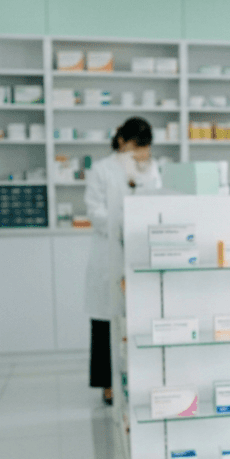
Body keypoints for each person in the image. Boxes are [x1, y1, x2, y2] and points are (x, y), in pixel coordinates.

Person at [85, 118, 162, 404]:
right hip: (108, 252)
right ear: (121, 141)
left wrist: (143, 172)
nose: (140, 151)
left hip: (140, 250)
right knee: (105, 321)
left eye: (145, 147)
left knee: (139, 319)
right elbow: (94, 211)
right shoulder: (101, 169)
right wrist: (121, 223)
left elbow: (155, 200)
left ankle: (139, 379)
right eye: (136, 144)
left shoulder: (150, 168)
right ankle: (106, 383)